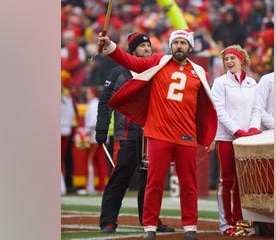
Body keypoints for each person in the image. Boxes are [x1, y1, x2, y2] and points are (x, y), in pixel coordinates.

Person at [98, 29, 218, 240]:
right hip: (158, 133)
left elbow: (205, 107)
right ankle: (150, 227)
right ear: (170, 45)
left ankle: (190, 227)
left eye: (183, 43)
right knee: (153, 182)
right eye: (176, 42)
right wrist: (110, 46)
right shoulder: (157, 62)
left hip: (186, 135)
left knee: (189, 184)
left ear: (190, 47)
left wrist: (209, 134)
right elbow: (129, 61)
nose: (179, 46)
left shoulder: (200, 72)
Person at [95, 32, 175, 234]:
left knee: (150, 180)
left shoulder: (157, 71)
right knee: (120, 177)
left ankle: (150, 221)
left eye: (149, 46)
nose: (147, 49)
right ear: (132, 51)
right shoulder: (118, 73)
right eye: (142, 46)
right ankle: (108, 221)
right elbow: (105, 102)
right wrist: (101, 128)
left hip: (151, 134)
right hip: (126, 135)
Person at [210, 45, 263, 236]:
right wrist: (237, 130)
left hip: (247, 139)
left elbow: (257, 108)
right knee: (227, 180)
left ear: (242, 60)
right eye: (226, 59)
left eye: (232, 58)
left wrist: (254, 128)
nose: (229, 62)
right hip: (226, 138)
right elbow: (220, 110)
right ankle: (226, 225)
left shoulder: (252, 83)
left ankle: (242, 222)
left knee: (244, 182)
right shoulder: (220, 83)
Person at [78, 86, 108, 195]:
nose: (86, 95)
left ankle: (90, 187)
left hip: (93, 138)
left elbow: (92, 123)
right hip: (96, 137)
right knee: (100, 163)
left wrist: (84, 132)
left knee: (91, 162)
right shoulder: (94, 104)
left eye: (88, 93)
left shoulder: (94, 105)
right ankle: (100, 187)